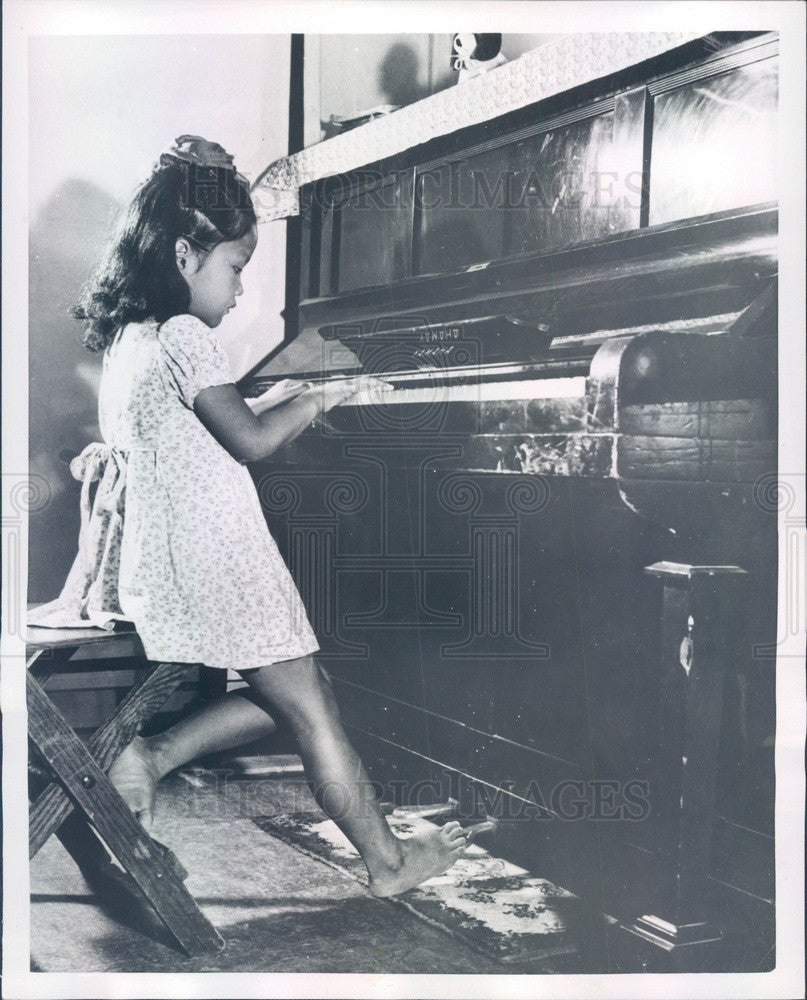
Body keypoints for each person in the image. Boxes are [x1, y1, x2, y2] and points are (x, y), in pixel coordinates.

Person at [30, 135, 467, 897]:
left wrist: (290, 389)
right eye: (234, 267)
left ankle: (151, 757)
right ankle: (389, 864)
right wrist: (329, 388)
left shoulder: (136, 338)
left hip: (163, 566)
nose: (237, 291)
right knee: (312, 711)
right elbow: (252, 439)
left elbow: (216, 416)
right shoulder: (185, 334)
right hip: (218, 563)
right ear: (181, 255)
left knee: (306, 691)